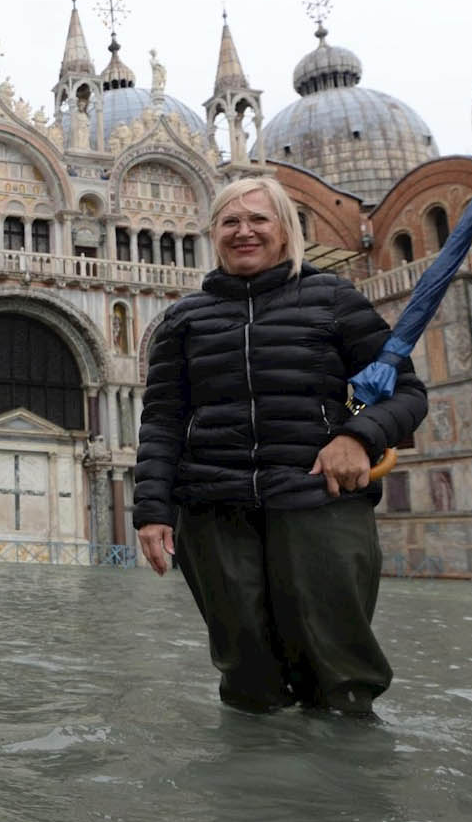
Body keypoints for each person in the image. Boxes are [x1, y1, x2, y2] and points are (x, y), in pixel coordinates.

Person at [134, 177, 425, 717]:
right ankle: (258, 794)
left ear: (285, 230)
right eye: (230, 222)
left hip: (317, 498)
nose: (244, 232)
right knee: (246, 677)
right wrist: (152, 511)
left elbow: (405, 393)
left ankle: (350, 789)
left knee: (340, 670)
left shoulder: (334, 299)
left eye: (259, 220)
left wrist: (357, 436)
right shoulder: (185, 318)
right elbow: (162, 420)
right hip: (215, 508)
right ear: (213, 235)